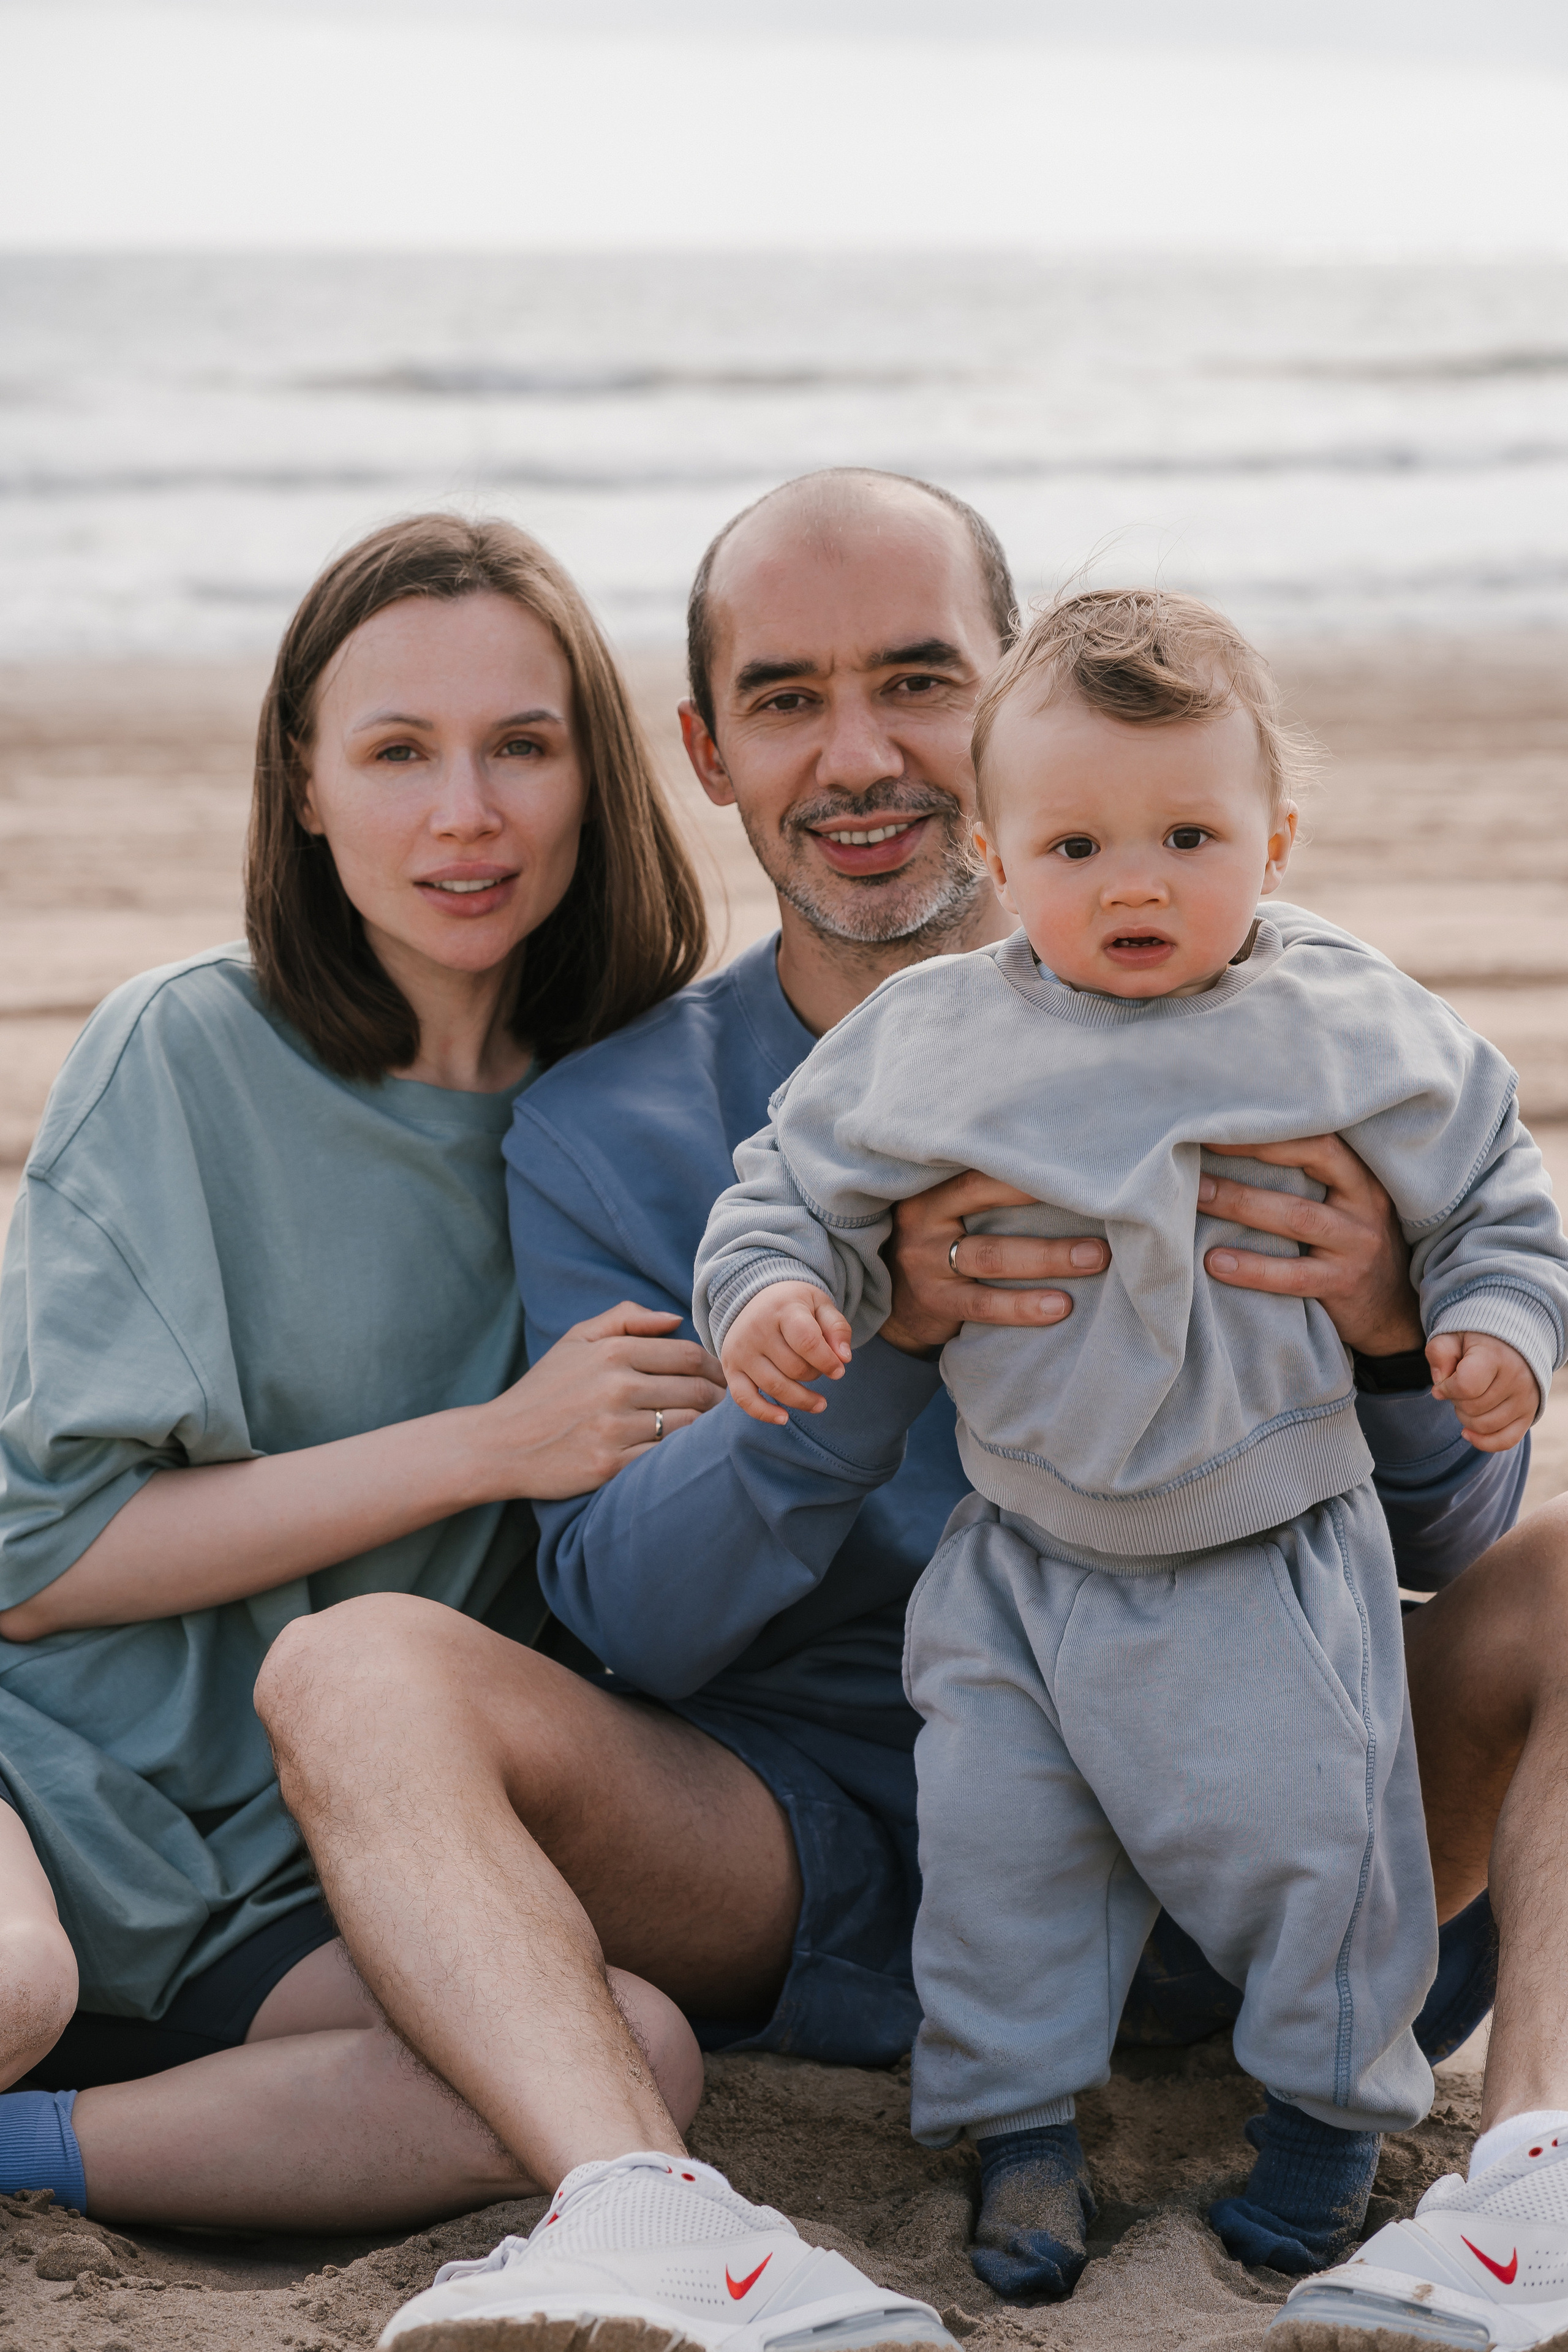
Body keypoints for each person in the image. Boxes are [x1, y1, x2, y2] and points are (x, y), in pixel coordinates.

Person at [258, 473, 1568, 2349]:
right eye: (788, 699)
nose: (859, 755)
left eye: (919, 680)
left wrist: (1388, 1329)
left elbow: (1452, 1530)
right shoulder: (615, 1127)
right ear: (709, 754)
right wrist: (875, 1345)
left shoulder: (1295, 1026)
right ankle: (638, 2204)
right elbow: (634, 1621)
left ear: (1015, 697)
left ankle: (1532, 2173)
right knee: (353, 1670)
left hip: (1284, 1754)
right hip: (833, 1850)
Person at [698, 583, 1567, 2294]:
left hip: (1273, 1551)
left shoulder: (1346, 1019)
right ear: (997, 858)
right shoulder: (934, 1034)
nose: (1137, 884)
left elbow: (1496, 1195)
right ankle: (1020, 2136)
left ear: (1275, 837)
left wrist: (1489, 1328)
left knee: (1320, 1852)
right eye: (1078, 847)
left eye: (1189, 836)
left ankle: (1323, 2130)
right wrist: (774, 1296)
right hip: (1021, 1560)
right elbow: (784, 1190)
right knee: (1001, 1863)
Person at [0, 513, 719, 2230]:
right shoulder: (185, 1046)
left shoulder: (636, 1117)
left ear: (593, 780)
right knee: (14, 1987)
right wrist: (490, 1446)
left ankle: (35, 2152)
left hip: (276, 1874)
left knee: (622, 2062)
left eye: (521, 746)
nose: (466, 812)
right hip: (37, 1775)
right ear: (306, 786)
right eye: (398, 751)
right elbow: (37, 1563)